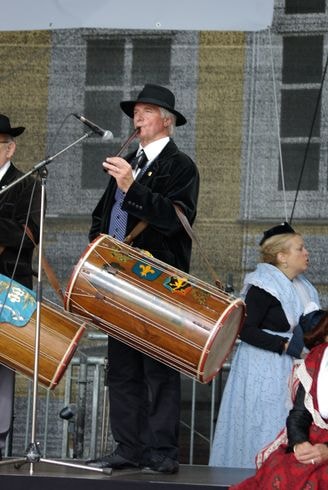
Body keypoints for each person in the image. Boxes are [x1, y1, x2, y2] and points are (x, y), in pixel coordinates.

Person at [86, 84, 199, 473]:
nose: (137, 117)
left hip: (157, 280)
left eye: (147, 111)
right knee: (122, 368)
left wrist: (132, 187)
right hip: (119, 278)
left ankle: (163, 451)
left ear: (166, 121)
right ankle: (128, 447)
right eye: (135, 111)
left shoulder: (180, 166)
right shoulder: (127, 160)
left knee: (158, 368)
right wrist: (97, 249)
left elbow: (174, 218)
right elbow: (102, 216)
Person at [209, 222, 321, 469]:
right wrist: (283, 344)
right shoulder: (263, 286)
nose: (307, 253)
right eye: (300, 249)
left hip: (292, 367)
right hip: (261, 369)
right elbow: (245, 330)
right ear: (281, 256)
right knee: (264, 423)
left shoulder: (305, 288)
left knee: (290, 424)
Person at [231, 310, 328, 489]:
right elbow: (299, 414)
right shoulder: (318, 358)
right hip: (314, 441)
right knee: (280, 472)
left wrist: (326, 451)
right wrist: (300, 443)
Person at [0, 114, 41, 460]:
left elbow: (28, 236)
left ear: (10, 148)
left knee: (2, 366)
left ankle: (0, 441)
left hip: (8, 287)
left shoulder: (28, 183)